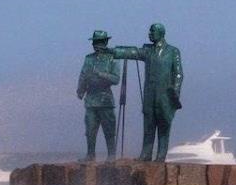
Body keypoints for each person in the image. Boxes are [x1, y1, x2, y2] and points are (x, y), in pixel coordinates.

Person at [112, 23, 183, 162]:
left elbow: (179, 74)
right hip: (150, 96)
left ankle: (161, 156)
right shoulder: (148, 51)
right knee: (148, 126)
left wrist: (175, 92)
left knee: (164, 126)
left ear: (161, 33)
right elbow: (132, 52)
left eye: (152, 31)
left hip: (165, 96)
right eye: (149, 31)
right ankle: (146, 154)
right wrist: (112, 51)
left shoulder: (173, 51)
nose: (149, 34)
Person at [76, 30, 120, 161]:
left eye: (99, 42)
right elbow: (83, 75)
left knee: (109, 130)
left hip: (105, 99)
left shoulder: (112, 58)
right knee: (90, 130)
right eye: (95, 42)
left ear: (105, 42)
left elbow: (116, 79)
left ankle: (111, 155)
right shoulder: (89, 58)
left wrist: (101, 74)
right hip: (91, 99)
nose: (96, 44)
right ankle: (90, 155)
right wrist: (80, 90)